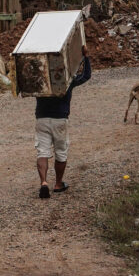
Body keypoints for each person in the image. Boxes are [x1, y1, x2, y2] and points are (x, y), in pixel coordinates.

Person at [35, 47, 91, 198]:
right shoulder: (68, 80)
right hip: (60, 119)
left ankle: (44, 182)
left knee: (42, 152)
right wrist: (86, 57)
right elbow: (86, 76)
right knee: (61, 153)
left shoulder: (40, 78)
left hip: (41, 119)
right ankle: (58, 184)